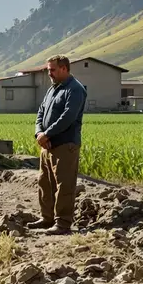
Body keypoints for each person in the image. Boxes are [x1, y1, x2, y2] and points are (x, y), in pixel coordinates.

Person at [29, 54, 87, 236]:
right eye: (48, 70)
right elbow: (41, 112)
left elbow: (68, 117)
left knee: (64, 185)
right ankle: (47, 218)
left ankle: (62, 223)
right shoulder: (53, 89)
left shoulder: (75, 89)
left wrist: (47, 133)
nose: (50, 74)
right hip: (47, 145)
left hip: (65, 145)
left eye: (52, 70)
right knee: (44, 182)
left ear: (64, 68)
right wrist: (39, 132)